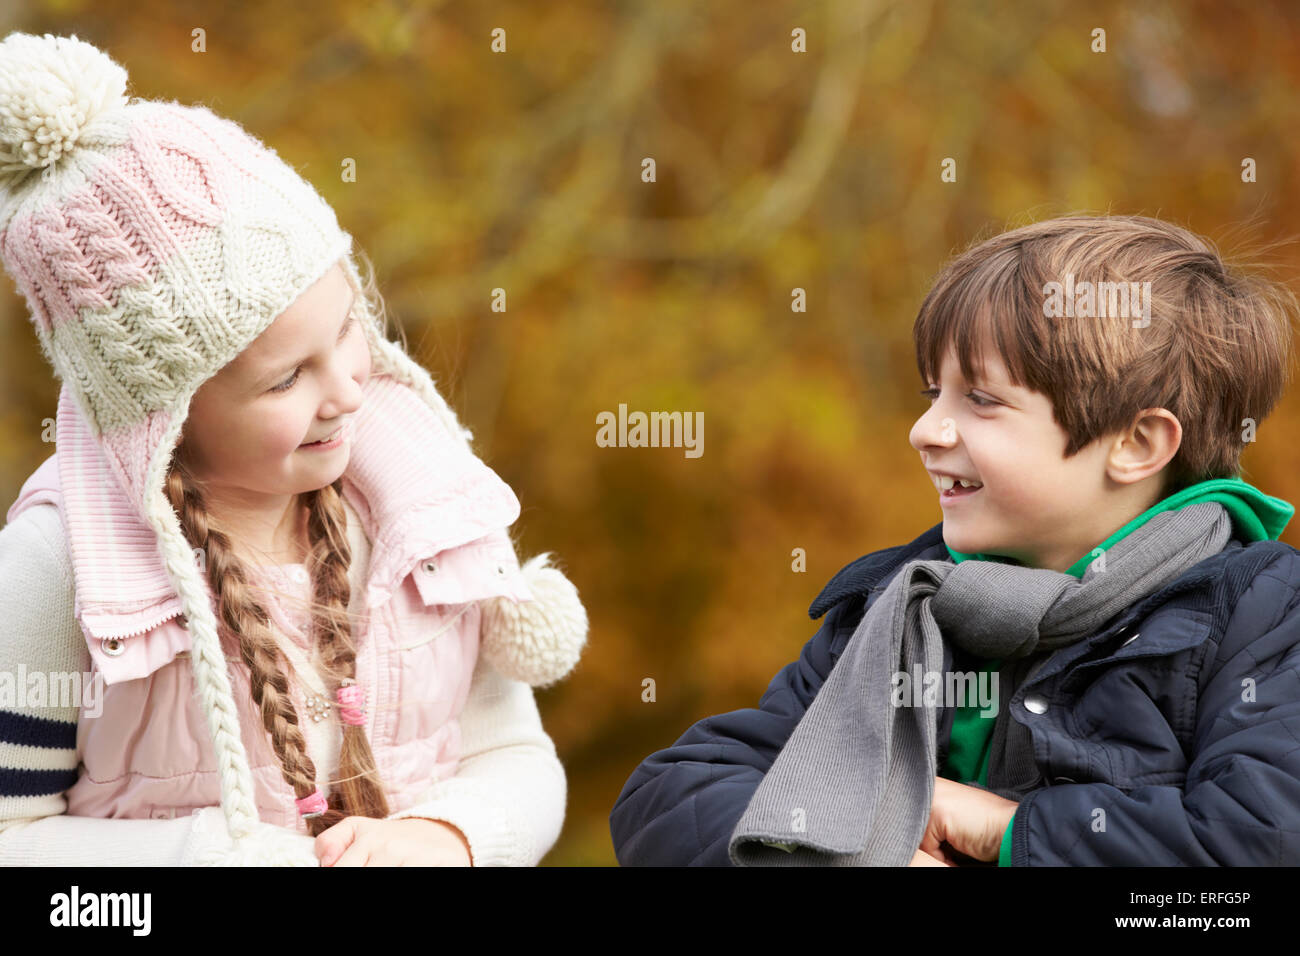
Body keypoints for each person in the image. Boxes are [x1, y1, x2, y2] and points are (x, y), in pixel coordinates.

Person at [0, 32, 587, 866]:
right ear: (164, 420)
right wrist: (207, 858)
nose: (348, 391)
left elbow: (518, 761)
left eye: (349, 326)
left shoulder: (417, 513)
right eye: (286, 381)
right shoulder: (59, 572)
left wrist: (448, 837)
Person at [610, 213, 1300, 866]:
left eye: (981, 400)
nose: (926, 431)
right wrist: (853, 855)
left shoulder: (1263, 616)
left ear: (1137, 443)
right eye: (931, 394)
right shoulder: (900, 607)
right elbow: (672, 795)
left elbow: (1254, 845)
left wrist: (1003, 828)